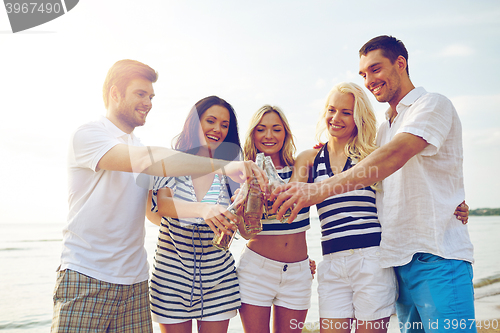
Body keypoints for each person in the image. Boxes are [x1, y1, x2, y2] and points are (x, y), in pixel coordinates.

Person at [271, 36, 476, 332]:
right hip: (398, 260)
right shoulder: (385, 128)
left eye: (375, 69)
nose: (369, 79)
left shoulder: (431, 104)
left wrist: (319, 189)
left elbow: (393, 156)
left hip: (437, 255)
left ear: (400, 64)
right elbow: (377, 170)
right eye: (363, 74)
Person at [51, 60, 266, 333]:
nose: (148, 102)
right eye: (141, 94)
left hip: (135, 281)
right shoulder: (90, 135)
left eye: (151, 96)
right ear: (115, 93)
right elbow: (151, 172)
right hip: (87, 274)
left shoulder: (138, 144)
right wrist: (221, 169)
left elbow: (155, 209)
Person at [146, 96, 244, 333]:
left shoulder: (232, 169)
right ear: (194, 123)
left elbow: (245, 231)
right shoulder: (170, 160)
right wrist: (203, 210)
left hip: (219, 279)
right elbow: (163, 204)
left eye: (224, 125)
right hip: (171, 278)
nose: (217, 129)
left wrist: (244, 209)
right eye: (210, 121)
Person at [236, 105, 313, 333]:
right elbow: (246, 233)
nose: (269, 136)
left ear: (286, 134)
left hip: (299, 273)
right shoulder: (243, 173)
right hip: (255, 271)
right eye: (261, 129)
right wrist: (245, 204)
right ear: (253, 135)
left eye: (276, 129)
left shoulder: (303, 167)